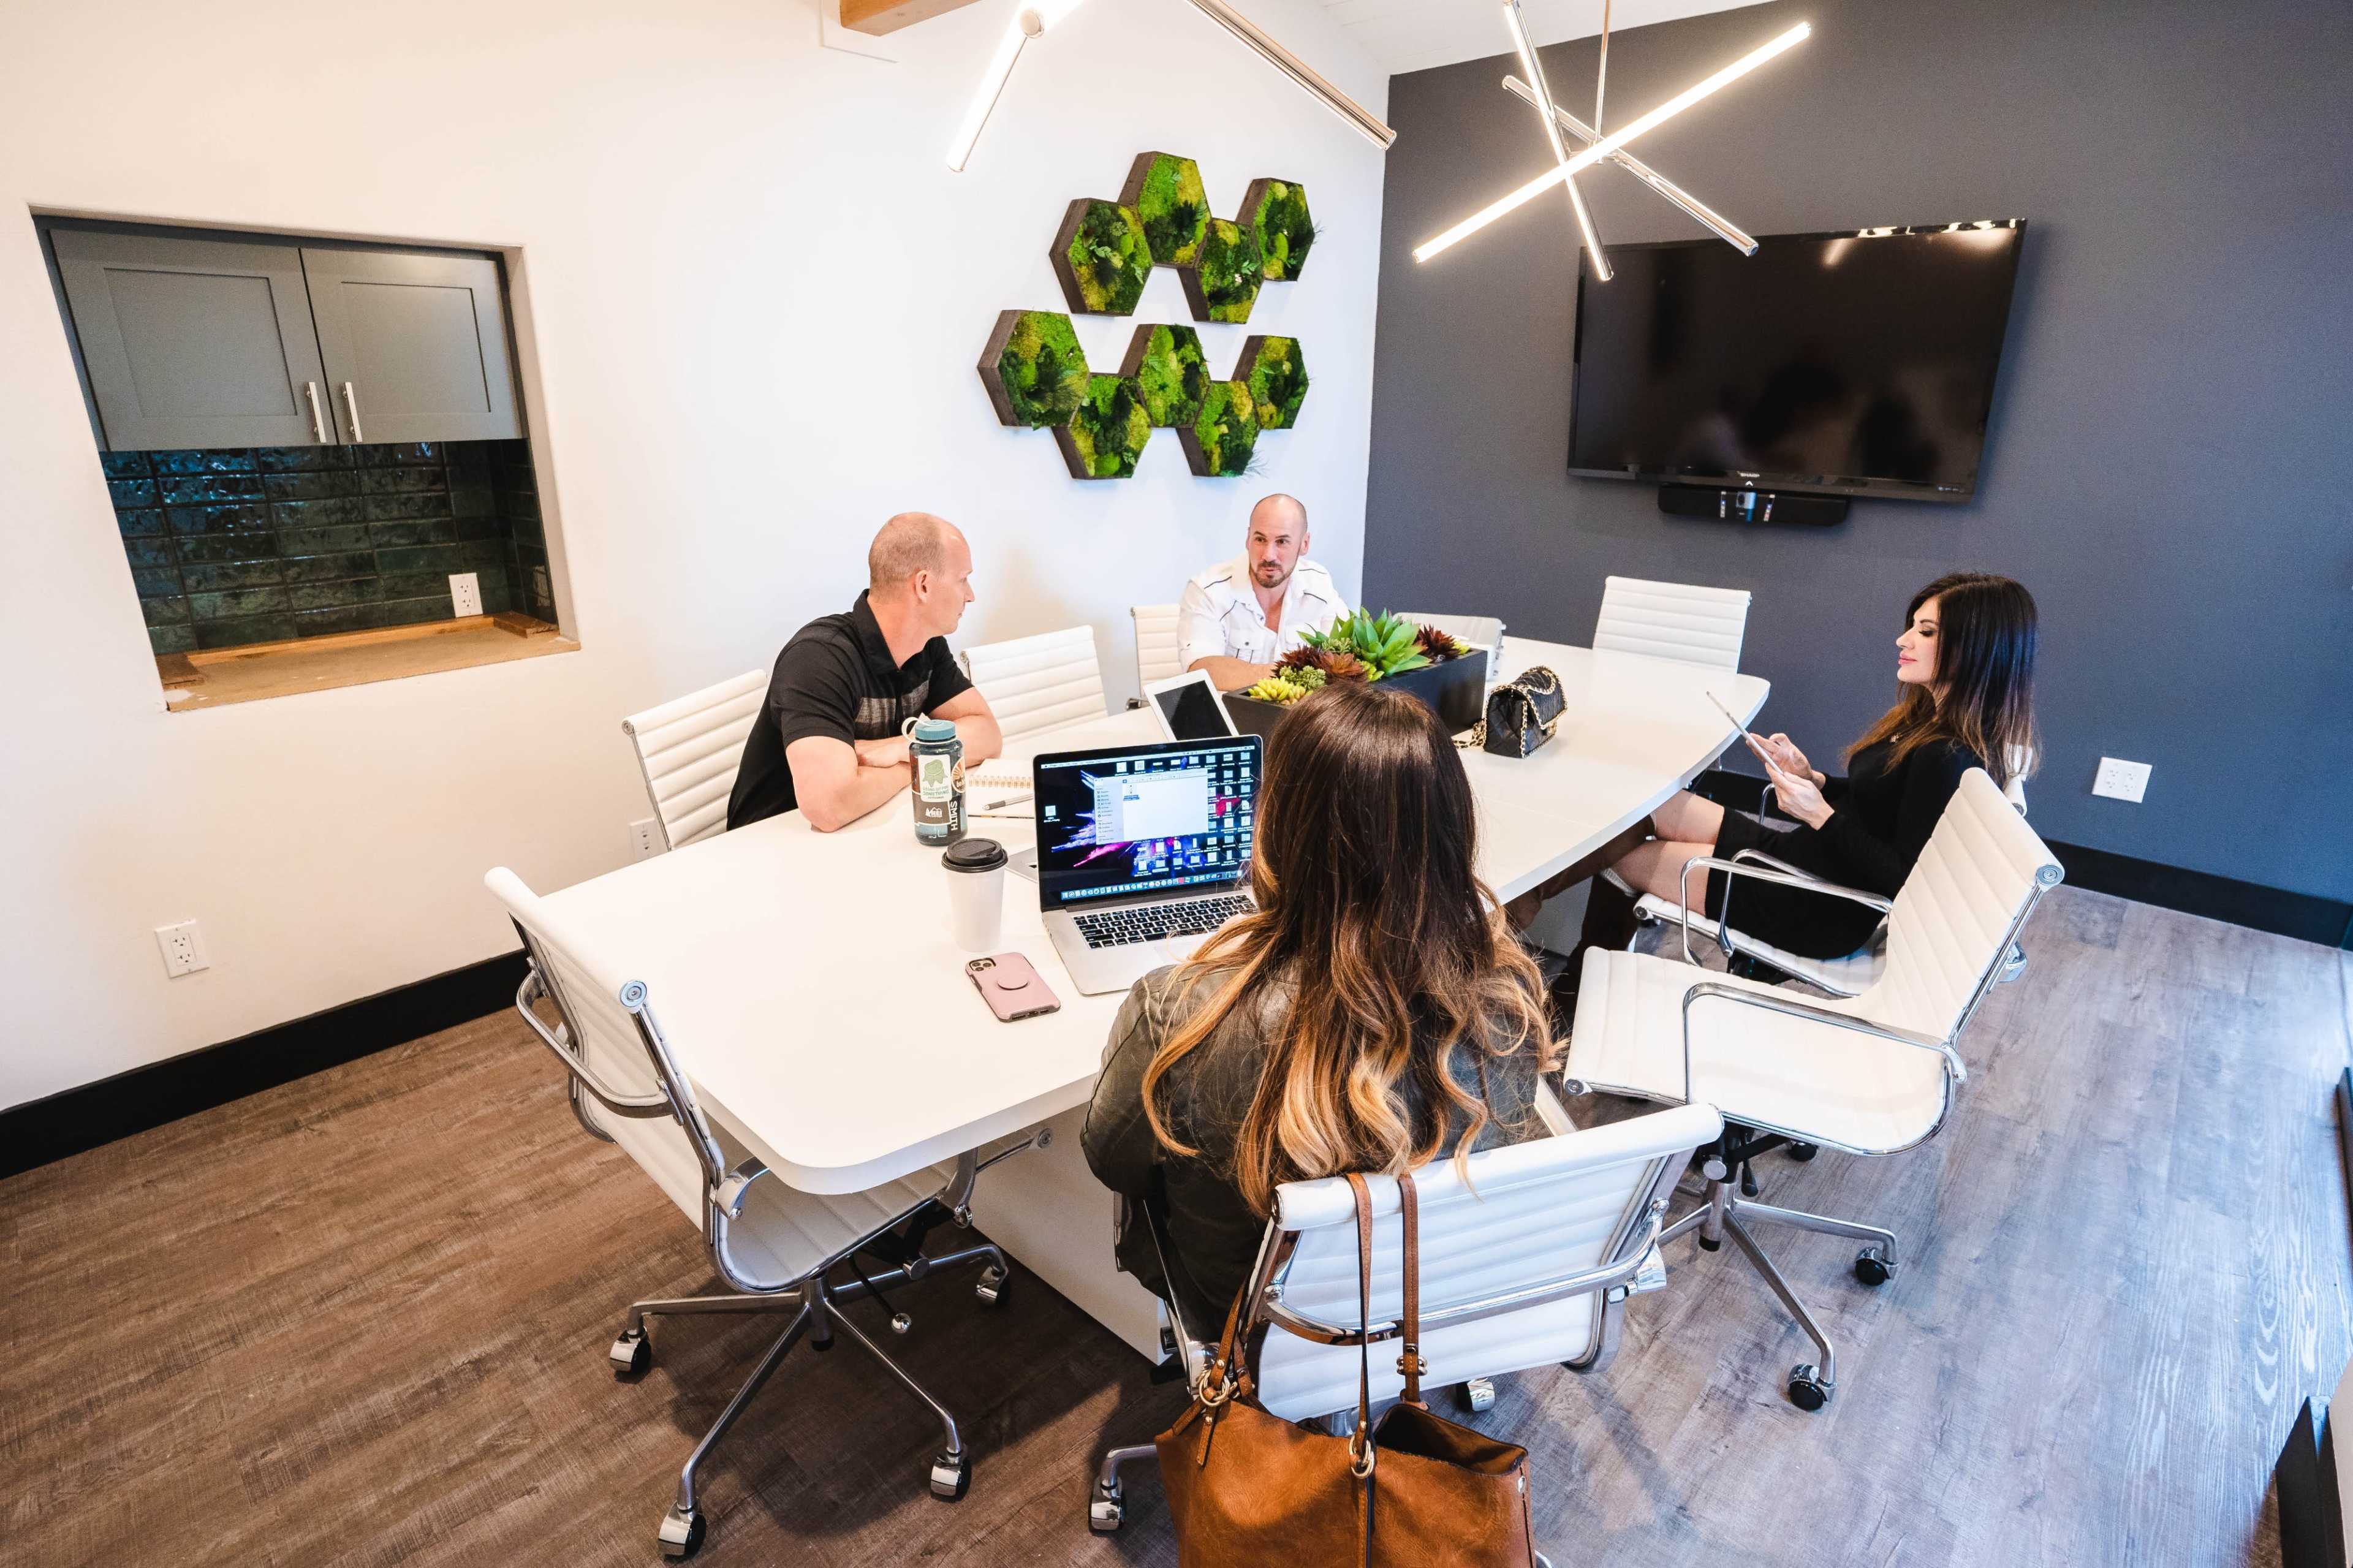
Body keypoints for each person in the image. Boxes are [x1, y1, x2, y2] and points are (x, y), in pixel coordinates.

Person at [1083, 680, 1557, 1335]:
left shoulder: (1183, 1009)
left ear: (1280, 826)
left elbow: (1110, 1159)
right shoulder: (1508, 997)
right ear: (1450, 831)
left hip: (1246, 1324)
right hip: (1432, 1303)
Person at [1586, 572, 2039, 969]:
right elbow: (1880, 804)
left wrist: (1819, 813)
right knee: (1646, 803)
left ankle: (1574, 989)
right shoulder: (1929, 724)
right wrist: (1813, 779)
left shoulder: (1948, 757)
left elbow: (1904, 880)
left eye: (1926, 632)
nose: (1903, 641)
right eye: (1911, 628)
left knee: (1621, 855)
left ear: (1976, 650)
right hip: (1798, 858)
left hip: (1814, 903)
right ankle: (1556, 940)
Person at [725, 513, 1004, 833]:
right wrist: (921, 763)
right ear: (923, 585)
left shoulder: (926, 647)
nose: (971, 595)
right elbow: (829, 807)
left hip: (858, 833)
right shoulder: (818, 659)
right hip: (769, 849)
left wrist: (899, 749)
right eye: (962, 579)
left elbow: (987, 735)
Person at [1176, 493, 1349, 692]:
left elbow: (1346, 657)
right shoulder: (1207, 590)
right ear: (1248, 539)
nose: (1269, 555)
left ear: (1304, 544)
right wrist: (1293, 674)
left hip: (1299, 718)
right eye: (1260, 539)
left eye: (1282, 542)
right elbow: (1201, 669)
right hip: (1232, 716)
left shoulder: (1319, 583)